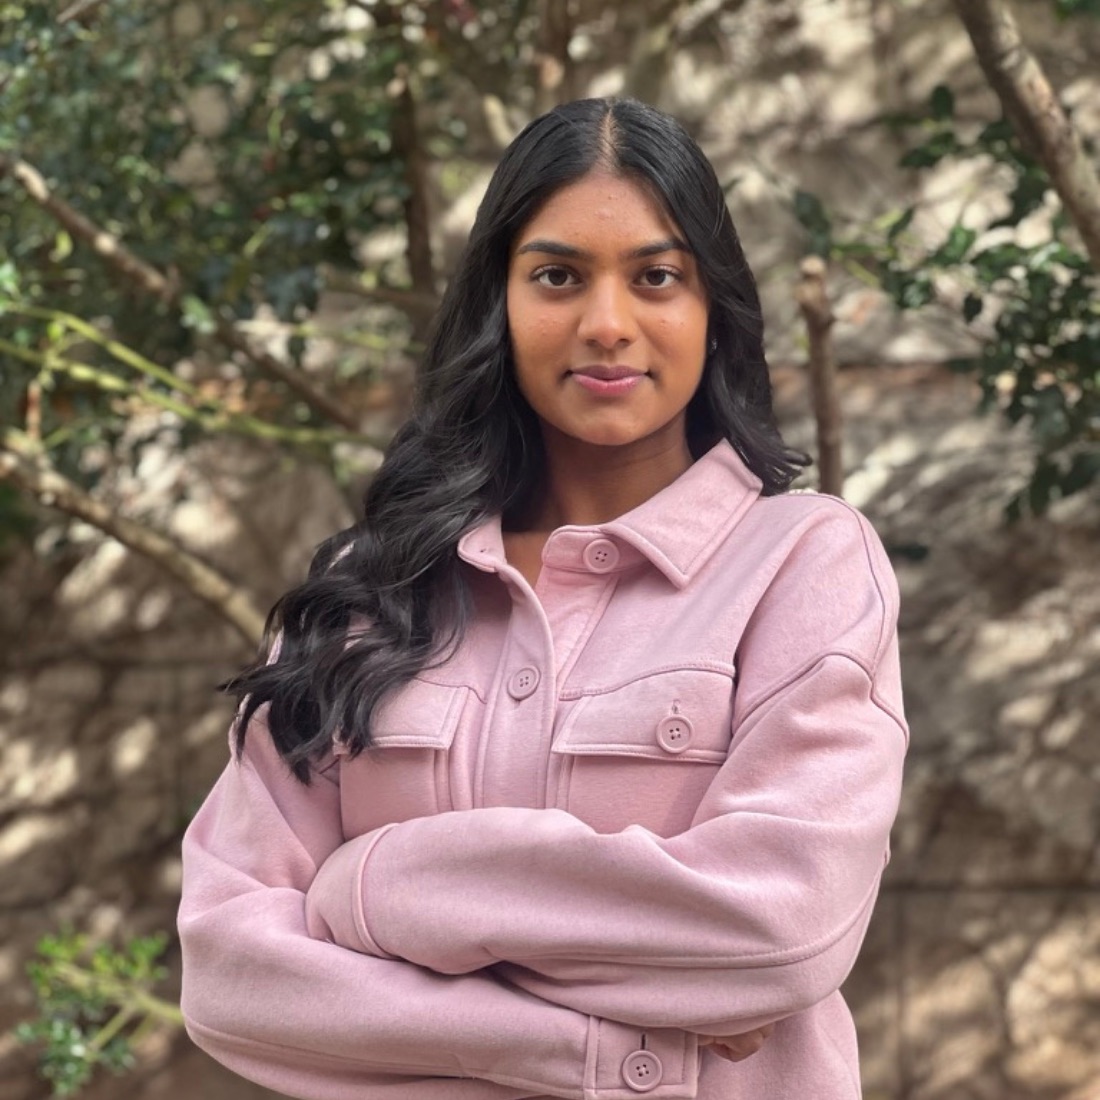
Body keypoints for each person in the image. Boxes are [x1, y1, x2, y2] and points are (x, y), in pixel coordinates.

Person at [178, 97, 906, 1100]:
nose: (606, 325)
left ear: (713, 309)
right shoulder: (370, 587)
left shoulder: (802, 563)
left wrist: (375, 885)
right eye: (558, 276)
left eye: (655, 277)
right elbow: (232, 972)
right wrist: (606, 1050)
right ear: (500, 303)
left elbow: (779, 926)